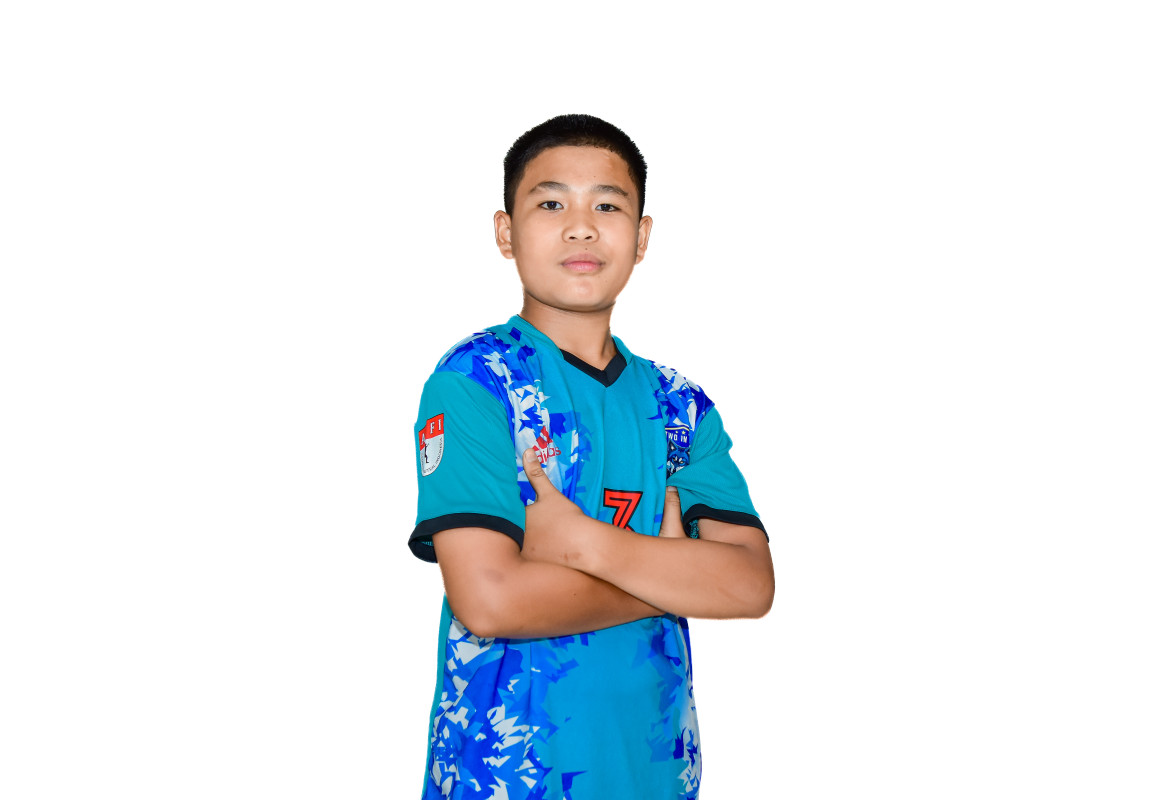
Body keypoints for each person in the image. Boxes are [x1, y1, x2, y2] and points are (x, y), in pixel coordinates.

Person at [409, 114, 773, 799]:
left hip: (654, 771)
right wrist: (673, 574)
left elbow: (751, 585)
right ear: (505, 232)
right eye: (551, 204)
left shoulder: (679, 407)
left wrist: (583, 543)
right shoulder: (478, 382)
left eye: (607, 206)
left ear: (641, 237)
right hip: (505, 775)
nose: (581, 227)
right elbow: (489, 600)